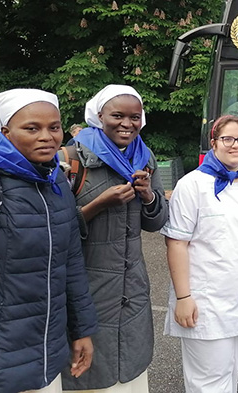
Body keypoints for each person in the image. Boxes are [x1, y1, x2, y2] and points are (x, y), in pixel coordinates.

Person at [0, 89, 98, 393]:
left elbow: (70, 262)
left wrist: (82, 330)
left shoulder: (54, 180)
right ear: (4, 132)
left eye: (54, 127)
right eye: (32, 128)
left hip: (46, 364)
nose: (47, 136)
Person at [61, 85, 169, 393]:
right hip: (87, 288)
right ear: (99, 117)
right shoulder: (71, 159)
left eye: (135, 117)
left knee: (131, 369)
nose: (127, 124)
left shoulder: (143, 157)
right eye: (117, 116)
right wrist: (98, 204)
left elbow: (157, 222)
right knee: (88, 374)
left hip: (132, 289)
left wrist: (149, 196)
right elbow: (55, 231)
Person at [162, 115, 238, 392]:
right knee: (208, 382)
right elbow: (176, 242)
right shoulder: (192, 185)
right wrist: (183, 297)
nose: (235, 145)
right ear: (214, 143)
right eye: (227, 139)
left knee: (233, 371)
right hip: (206, 302)